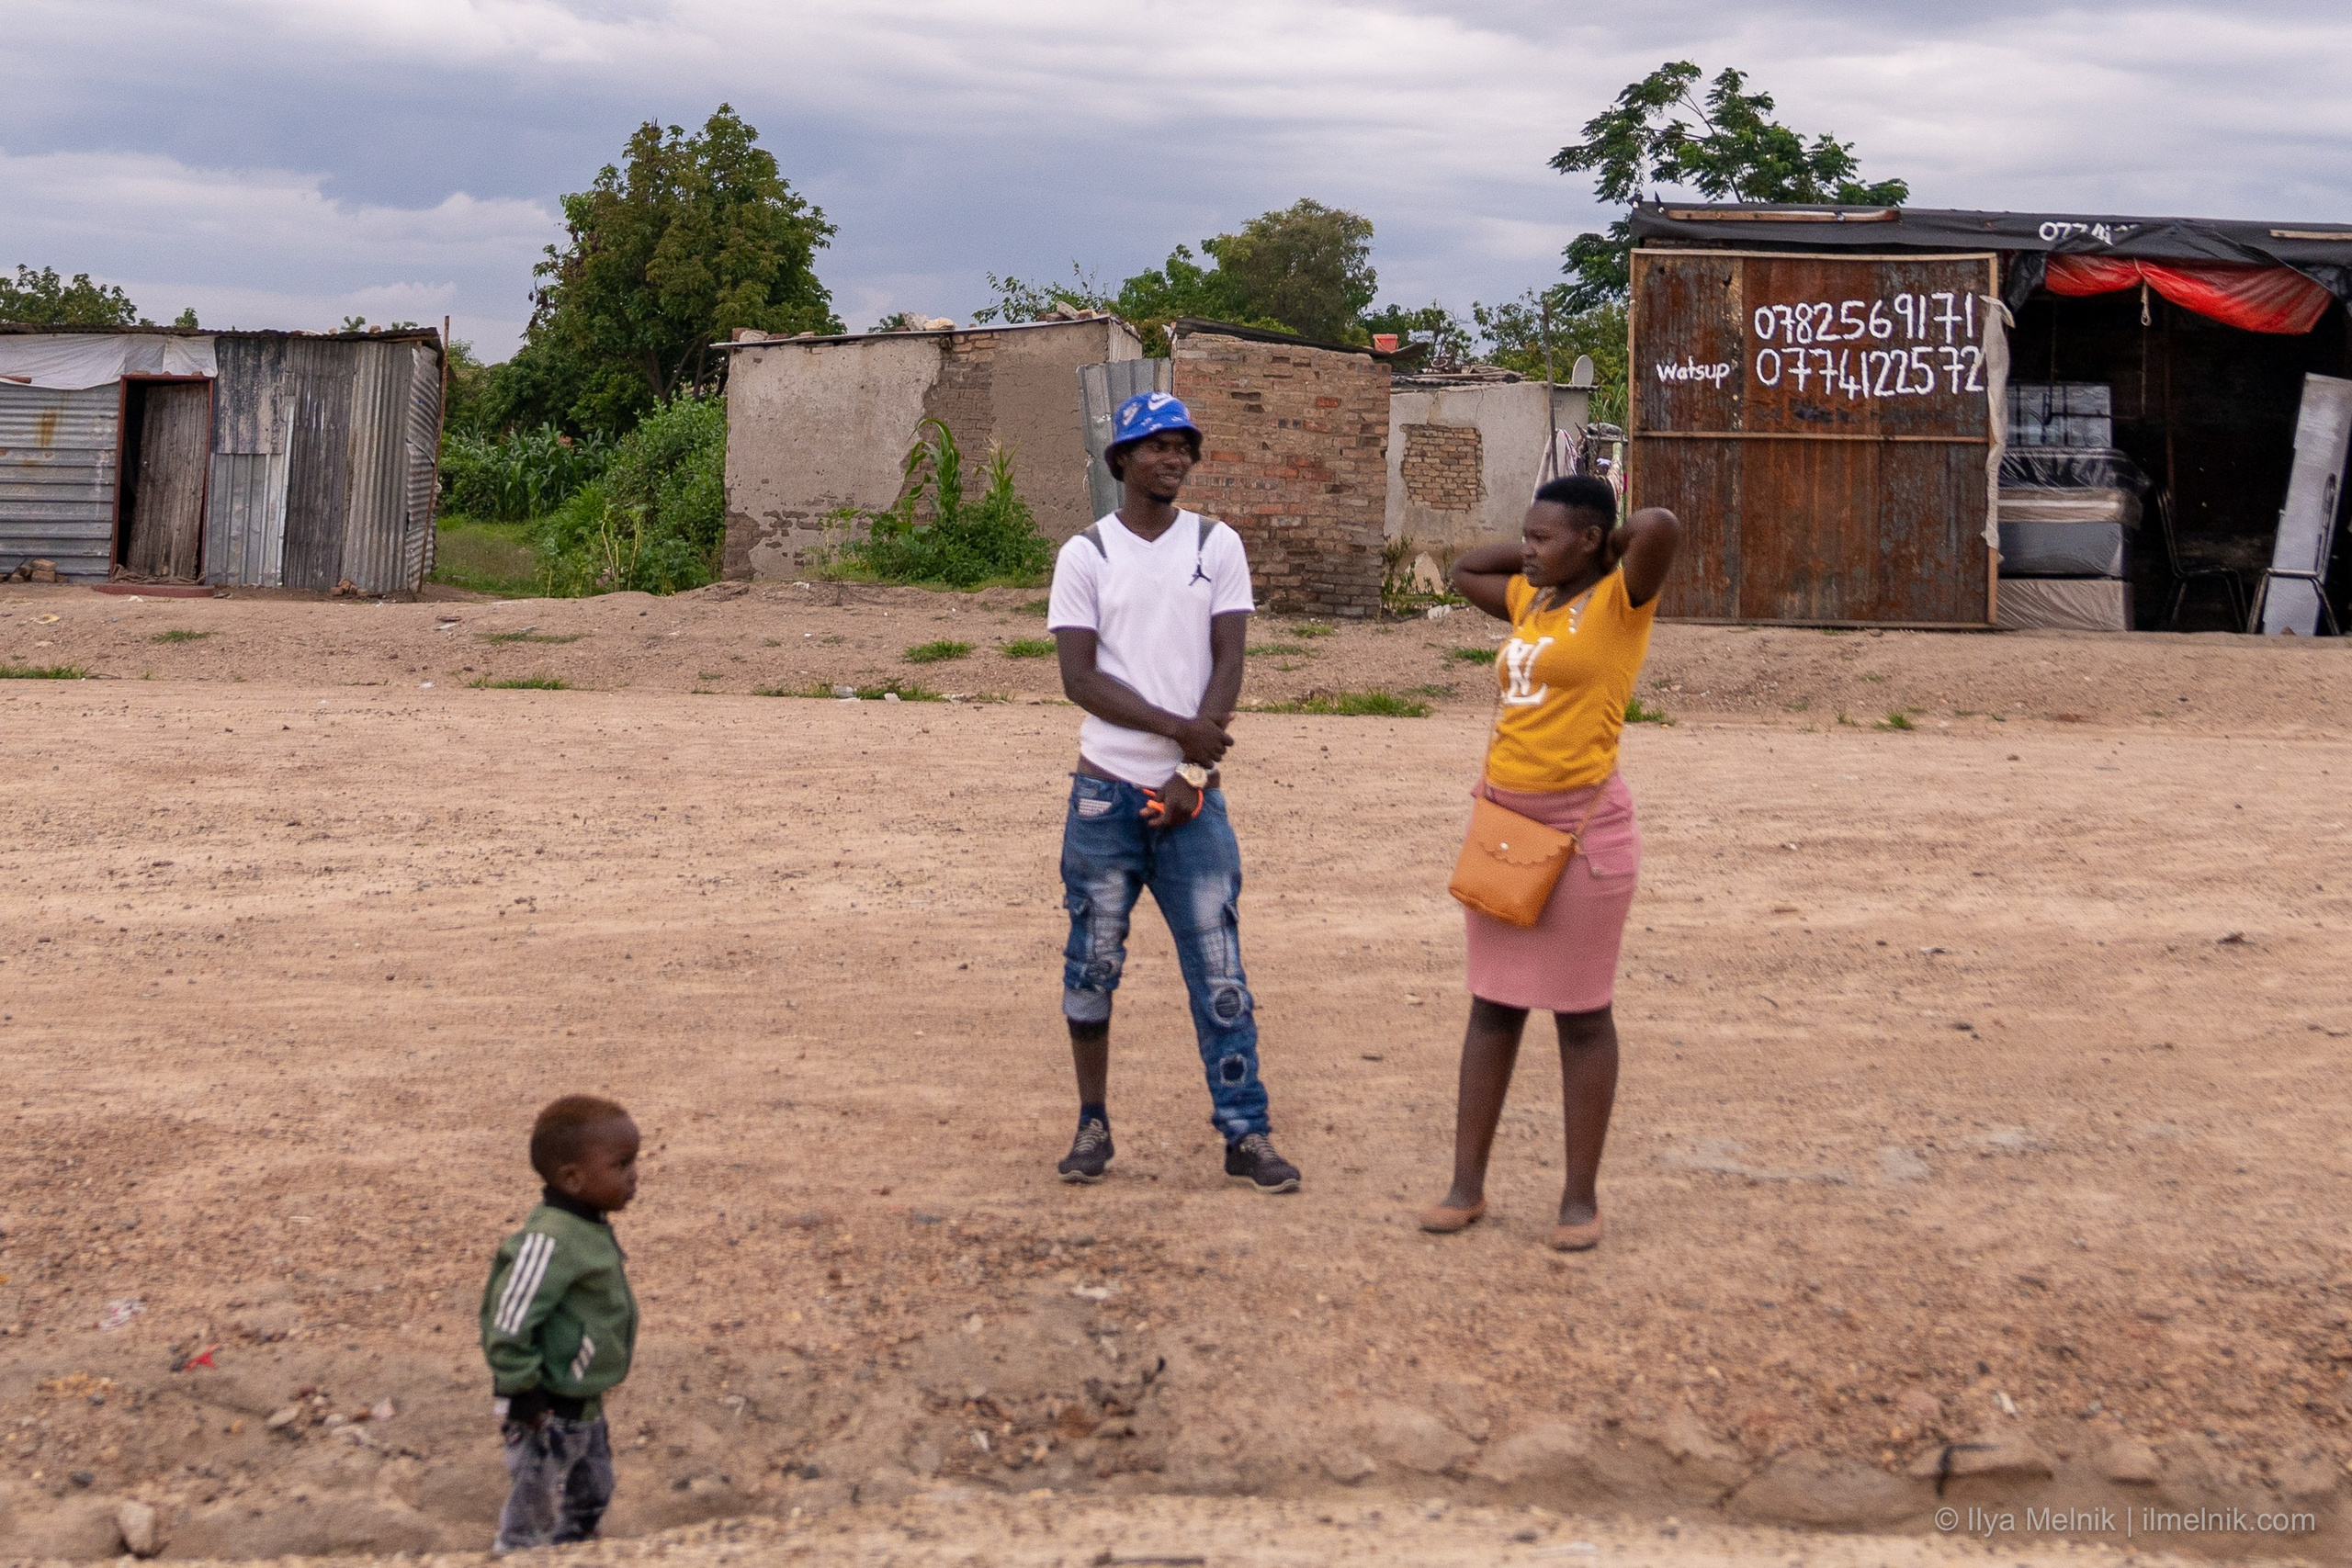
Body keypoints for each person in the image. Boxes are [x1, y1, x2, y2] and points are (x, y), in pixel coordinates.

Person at [1045, 390, 1300, 1194]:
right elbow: (1079, 678)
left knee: (1220, 971)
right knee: (1091, 968)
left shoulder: (1216, 543)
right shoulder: (1086, 554)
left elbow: (1230, 659)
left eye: (1183, 445)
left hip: (1193, 803)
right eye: (1156, 445)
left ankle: (1245, 1131)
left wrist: (1192, 772)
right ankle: (1093, 1123)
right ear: (1122, 459)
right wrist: (1176, 734)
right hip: (1105, 796)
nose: (1174, 458)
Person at [1420, 476, 1681, 1250]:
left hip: (1584, 831)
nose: (1526, 549)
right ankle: (1467, 1186)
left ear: (1595, 541)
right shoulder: (1530, 601)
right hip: (1504, 821)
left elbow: (1660, 524)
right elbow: (1469, 566)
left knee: (1581, 1013)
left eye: (1543, 537)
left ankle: (1579, 1199)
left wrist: (1599, 555)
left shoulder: (1620, 605)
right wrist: (1546, 556)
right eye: (1525, 537)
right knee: (1492, 1004)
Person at [480, 1095, 642, 1553]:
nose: (634, 1176)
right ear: (573, 1178)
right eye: (621, 1165)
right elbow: (509, 1318)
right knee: (535, 1510)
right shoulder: (549, 1239)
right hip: (545, 1407)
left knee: (590, 1495)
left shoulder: (588, 1228)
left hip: (582, 1402)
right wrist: (521, 1387)